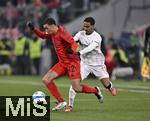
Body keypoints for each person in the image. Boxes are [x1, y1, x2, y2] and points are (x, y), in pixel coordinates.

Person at [27, 17, 103, 111]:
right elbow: (43, 35)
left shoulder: (62, 33)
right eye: (45, 28)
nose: (46, 30)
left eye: (47, 28)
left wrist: (72, 50)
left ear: (52, 26)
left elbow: (73, 43)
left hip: (72, 63)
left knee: (77, 88)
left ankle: (96, 90)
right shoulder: (51, 32)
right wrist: (33, 29)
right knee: (46, 79)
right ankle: (61, 101)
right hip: (62, 64)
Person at [65, 17, 117, 112]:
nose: (85, 28)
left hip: (97, 64)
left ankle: (110, 87)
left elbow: (90, 48)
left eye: (87, 26)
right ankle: (70, 106)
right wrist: (68, 46)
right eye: (84, 26)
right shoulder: (80, 34)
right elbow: (72, 41)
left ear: (93, 26)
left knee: (106, 84)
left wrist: (79, 52)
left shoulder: (97, 37)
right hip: (84, 64)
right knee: (74, 83)